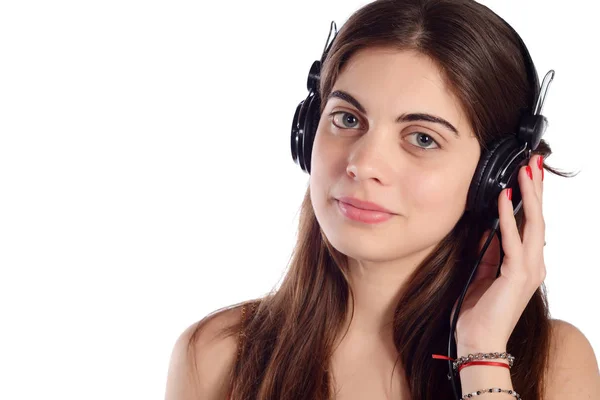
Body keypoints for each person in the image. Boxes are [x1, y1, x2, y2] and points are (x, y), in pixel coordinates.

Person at [165, 0, 599, 399]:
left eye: (423, 138)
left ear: (496, 176)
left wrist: (482, 357)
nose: (363, 162)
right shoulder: (216, 356)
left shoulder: (556, 365)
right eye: (347, 118)